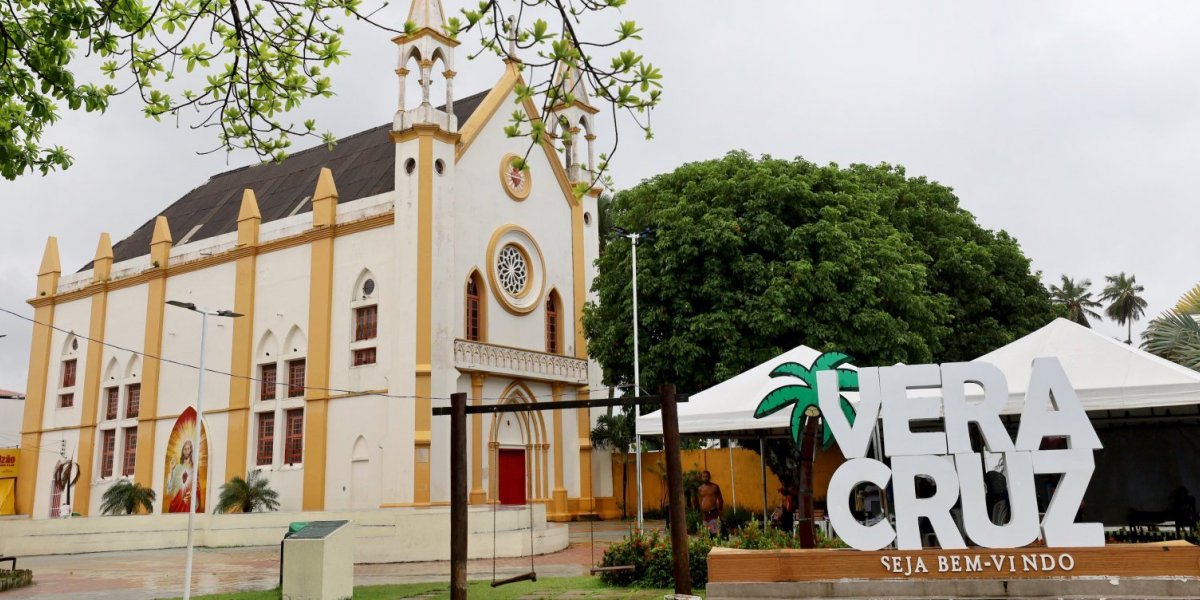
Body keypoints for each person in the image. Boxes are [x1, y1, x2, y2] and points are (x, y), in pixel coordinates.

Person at [166, 440, 196, 513]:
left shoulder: (193, 468)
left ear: (191, 450)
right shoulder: (177, 467)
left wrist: (191, 496)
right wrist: (171, 469)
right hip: (175, 504)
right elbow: (169, 490)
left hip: (186, 505)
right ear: (182, 451)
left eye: (188, 449)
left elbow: (196, 490)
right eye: (184, 449)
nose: (186, 451)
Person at [697, 470, 724, 536]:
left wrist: (720, 511)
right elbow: (700, 500)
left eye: (706, 476)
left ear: (709, 477)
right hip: (705, 514)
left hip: (713, 513)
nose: (705, 478)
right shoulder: (700, 488)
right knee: (705, 534)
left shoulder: (715, 487)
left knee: (714, 533)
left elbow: (720, 499)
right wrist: (701, 512)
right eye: (704, 476)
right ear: (701, 478)